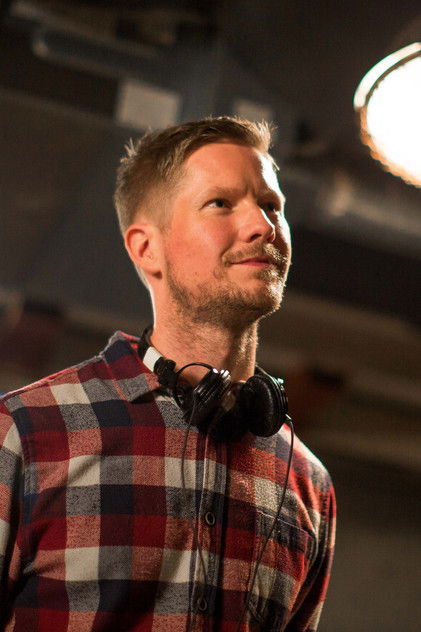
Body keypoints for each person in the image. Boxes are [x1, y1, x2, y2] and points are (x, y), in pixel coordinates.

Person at [0, 117, 336, 631]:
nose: (263, 226)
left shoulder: (309, 485)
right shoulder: (22, 432)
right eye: (220, 203)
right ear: (146, 248)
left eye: (271, 206)